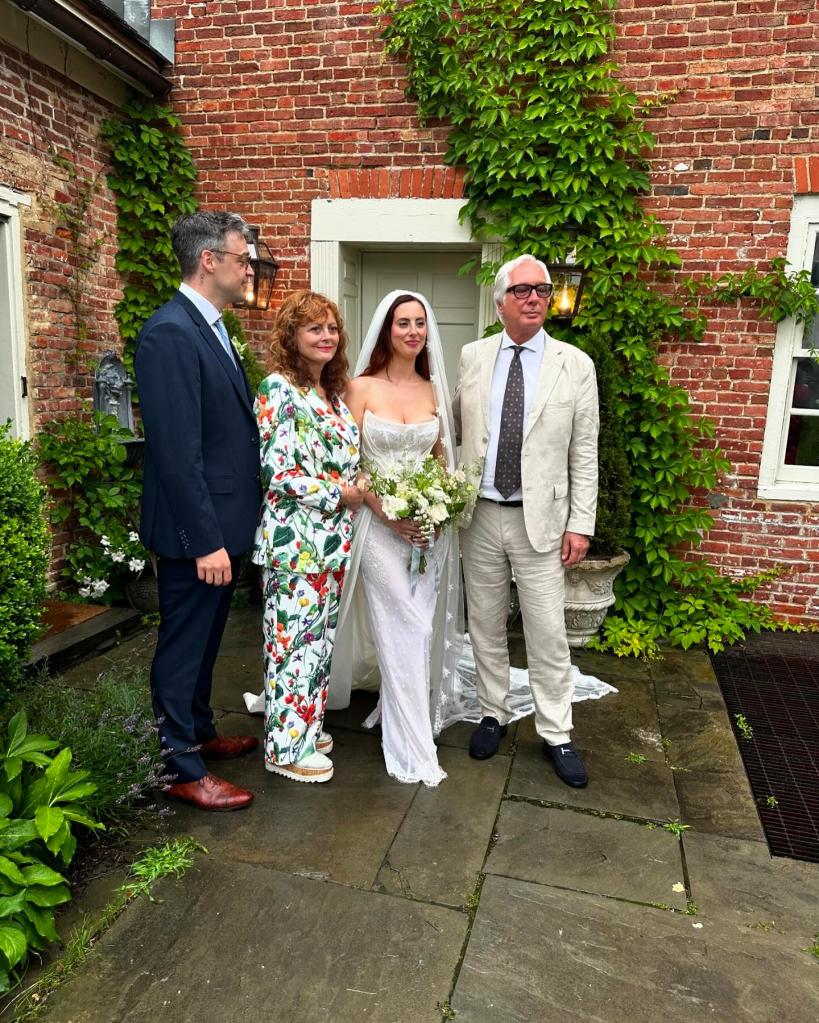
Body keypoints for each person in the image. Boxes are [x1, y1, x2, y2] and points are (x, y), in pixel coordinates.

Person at [454, 255, 599, 788]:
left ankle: (557, 731)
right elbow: (451, 428)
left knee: (547, 632)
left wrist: (580, 522)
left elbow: (585, 450)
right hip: (481, 514)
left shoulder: (574, 364)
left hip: (542, 521)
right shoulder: (472, 356)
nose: (534, 297)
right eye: (522, 290)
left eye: (541, 289)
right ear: (501, 303)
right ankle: (492, 712)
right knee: (485, 625)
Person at [135, 211, 262, 812]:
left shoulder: (210, 326)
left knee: (210, 639)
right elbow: (177, 453)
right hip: (195, 534)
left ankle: (201, 731)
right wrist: (205, 541)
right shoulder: (169, 333)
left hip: (222, 525)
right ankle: (179, 764)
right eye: (242, 257)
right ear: (209, 260)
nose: (248, 268)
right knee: (184, 644)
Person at [327, 291, 464, 787]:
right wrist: (384, 509)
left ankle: (398, 706)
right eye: (402, 322)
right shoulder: (358, 387)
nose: (412, 331)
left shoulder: (433, 391)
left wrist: (438, 506)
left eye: (420, 323)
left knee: (421, 628)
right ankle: (412, 743)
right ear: (387, 331)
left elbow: (440, 462)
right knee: (405, 625)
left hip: (426, 532)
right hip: (378, 529)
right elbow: (345, 464)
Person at [252, 291, 362, 783]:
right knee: (292, 644)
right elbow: (278, 472)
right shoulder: (277, 388)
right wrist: (343, 493)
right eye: (314, 328)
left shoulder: (332, 395)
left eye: (331, 329)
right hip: (294, 541)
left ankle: (305, 724)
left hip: (333, 541)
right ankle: (284, 749)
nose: (325, 336)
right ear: (291, 337)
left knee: (317, 642)